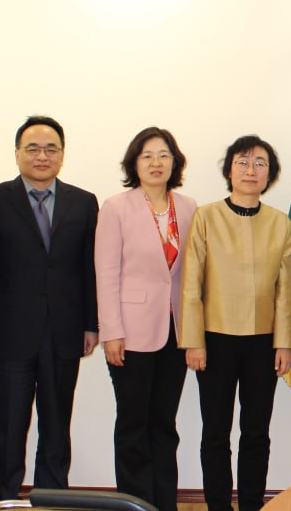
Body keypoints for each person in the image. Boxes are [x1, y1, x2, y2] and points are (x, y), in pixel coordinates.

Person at [0, 116, 99, 498]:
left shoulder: (84, 202)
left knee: (57, 427)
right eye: (33, 148)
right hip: (8, 333)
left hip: (65, 331)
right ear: (17, 153)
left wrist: (91, 323)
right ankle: (4, 498)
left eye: (50, 149)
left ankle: (53, 500)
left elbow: (89, 268)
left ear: (62, 154)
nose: (42, 156)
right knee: (8, 429)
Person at [180, 135, 291, 511]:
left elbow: (286, 290)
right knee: (215, 432)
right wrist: (193, 341)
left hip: (263, 342)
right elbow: (191, 284)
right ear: (229, 170)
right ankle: (217, 505)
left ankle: (251, 504)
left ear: (269, 175)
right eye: (242, 162)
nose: (250, 170)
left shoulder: (280, 223)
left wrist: (284, 343)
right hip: (214, 339)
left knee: (256, 433)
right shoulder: (206, 217)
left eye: (260, 163)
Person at [96, 127, 196, 511]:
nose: (156, 163)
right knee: (133, 424)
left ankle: (164, 503)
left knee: (164, 424)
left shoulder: (188, 207)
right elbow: (106, 273)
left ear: (175, 162)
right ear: (134, 163)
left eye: (164, 155)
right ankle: (135, 504)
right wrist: (111, 331)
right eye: (147, 156)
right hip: (131, 332)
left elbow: (192, 273)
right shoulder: (116, 207)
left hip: (176, 331)